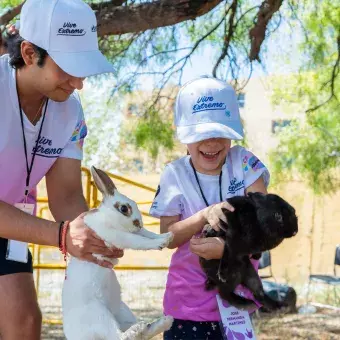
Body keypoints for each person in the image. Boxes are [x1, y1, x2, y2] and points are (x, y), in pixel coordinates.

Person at [0, 0, 123, 338]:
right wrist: (64, 236)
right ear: (28, 53)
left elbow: (67, 195)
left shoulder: (70, 113)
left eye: (83, 68)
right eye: (68, 66)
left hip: (10, 227)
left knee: (24, 324)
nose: (78, 82)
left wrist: (94, 238)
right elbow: (64, 231)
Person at [150, 76, 270, 339]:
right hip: (186, 307)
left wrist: (231, 249)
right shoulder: (174, 174)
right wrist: (204, 215)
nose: (212, 143)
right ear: (184, 135)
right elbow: (167, 237)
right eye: (201, 135)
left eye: (220, 133)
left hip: (238, 303)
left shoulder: (245, 164)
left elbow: (265, 226)